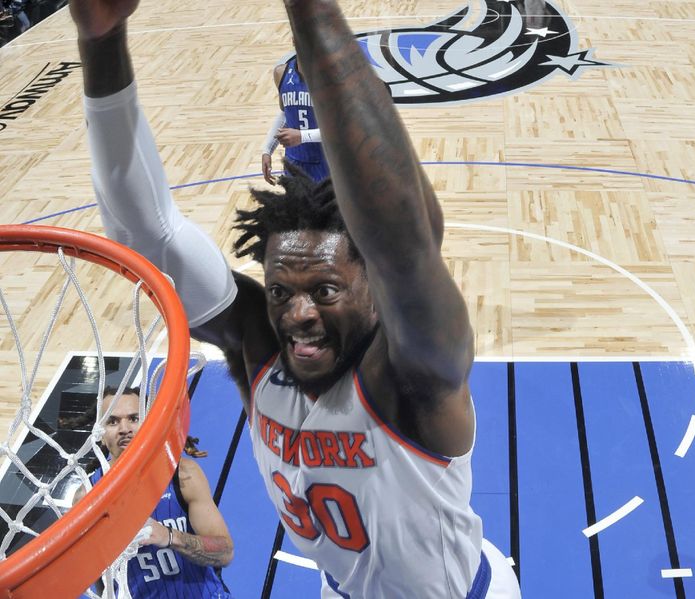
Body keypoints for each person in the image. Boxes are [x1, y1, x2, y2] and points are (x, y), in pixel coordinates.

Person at [69, 0, 521, 596]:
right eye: (281, 290)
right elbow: (148, 233)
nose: (299, 314)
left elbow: (407, 239)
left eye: (326, 290)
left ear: (374, 290)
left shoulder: (411, 374)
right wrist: (101, 41)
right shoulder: (261, 350)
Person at [73, 387, 234, 598]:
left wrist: (169, 536)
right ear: (100, 435)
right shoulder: (86, 497)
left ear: (149, 424)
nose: (124, 428)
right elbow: (99, 579)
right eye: (112, 421)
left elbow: (225, 552)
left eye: (133, 418)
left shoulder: (184, 476)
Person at [261, 53, 329, 184]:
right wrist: (267, 150)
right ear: (293, 39)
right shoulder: (281, 73)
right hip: (293, 163)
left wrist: (302, 136)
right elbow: (285, 113)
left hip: (327, 163)